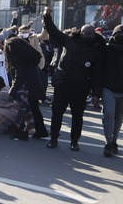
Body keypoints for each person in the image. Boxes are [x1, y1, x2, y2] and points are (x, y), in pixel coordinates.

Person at [43, 8, 105, 151]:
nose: (88, 35)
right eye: (85, 33)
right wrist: (47, 16)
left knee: (77, 117)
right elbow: (53, 31)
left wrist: (96, 94)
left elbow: (97, 73)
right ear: (81, 33)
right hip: (63, 84)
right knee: (57, 113)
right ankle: (53, 139)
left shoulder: (97, 49)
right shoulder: (69, 40)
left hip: (81, 87)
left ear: (94, 34)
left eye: (90, 33)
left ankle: (74, 141)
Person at [100, 24, 123, 157]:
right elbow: (99, 68)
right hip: (108, 87)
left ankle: (114, 141)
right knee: (109, 115)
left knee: (118, 118)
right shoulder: (106, 49)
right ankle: (109, 142)